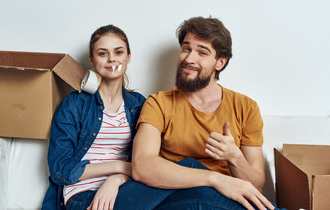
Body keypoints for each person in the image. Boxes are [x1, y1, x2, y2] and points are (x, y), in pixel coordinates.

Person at [113, 16, 282, 210]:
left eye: (202, 52)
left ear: (220, 62)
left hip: (226, 200)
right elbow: (143, 166)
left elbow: (256, 185)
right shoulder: (158, 104)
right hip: (176, 196)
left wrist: (234, 157)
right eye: (186, 48)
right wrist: (215, 179)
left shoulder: (246, 108)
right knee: (191, 167)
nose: (189, 58)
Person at [41, 25, 145, 210]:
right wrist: (120, 167)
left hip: (125, 187)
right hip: (83, 195)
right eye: (102, 53)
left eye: (118, 52)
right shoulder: (74, 105)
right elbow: (60, 170)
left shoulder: (138, 105)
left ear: (128, 56)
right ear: (92, 59)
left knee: (191, 179)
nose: (112, 58)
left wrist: (116, 179)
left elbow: (150, 158)